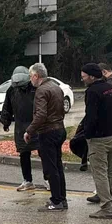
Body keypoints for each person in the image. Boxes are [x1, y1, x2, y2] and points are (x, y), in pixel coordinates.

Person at [80, 63, 112, 219]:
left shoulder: (92, 92)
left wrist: (88, 134)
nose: (83, 79)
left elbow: (91, 116)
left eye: (84, 76)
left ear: (91, 76)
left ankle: (107, 208)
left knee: (100, 173)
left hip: (98, 139)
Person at [24, 63, 68, 212]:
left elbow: (41, 115)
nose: (30, 79)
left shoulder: (41, 90)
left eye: (31, 76)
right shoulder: (56, 87)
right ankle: (62, 198)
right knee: (58, 165)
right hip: (59, 128)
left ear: (36, 76)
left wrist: (29, 131)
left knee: (51, 167)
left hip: (48, 131)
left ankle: (56, 200)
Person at [1, 66, 40, 191]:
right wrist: (5, 122)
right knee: (24, 154)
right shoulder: (12, 91)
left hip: (36, 125)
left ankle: (47, 178)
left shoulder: (35, 88)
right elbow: (7, 107)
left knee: (43, 152)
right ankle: (28, 180)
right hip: (21, 127)